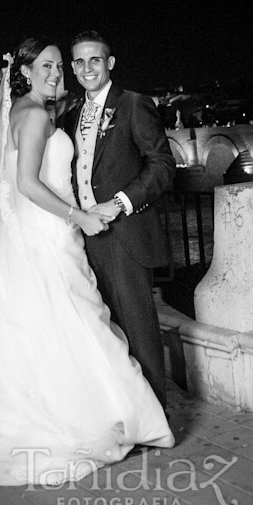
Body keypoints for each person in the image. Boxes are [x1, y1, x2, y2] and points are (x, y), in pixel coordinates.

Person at [0, 37, 174, 487]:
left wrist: (112, 206)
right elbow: (27, 183)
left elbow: (160, 164)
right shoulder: (37, 114)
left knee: (111, 326)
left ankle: (141, 415)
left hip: (96, 234)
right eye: (51, 65)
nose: (60, 72)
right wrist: (78, 215)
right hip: (60, 232)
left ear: (109, 63)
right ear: (24, 72)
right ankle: (103, 418)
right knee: (71, 328)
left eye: (63, 65)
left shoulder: (112, 107)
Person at [65, 30, 176, 413]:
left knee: (139, 331)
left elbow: (162, 165)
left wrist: (120, 203)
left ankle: (154, 422)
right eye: (79, 61)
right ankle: (125, 414)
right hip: (84, 239)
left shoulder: (133, 104)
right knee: (107, 333)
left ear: (109, 63)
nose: (86, 68)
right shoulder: (70, 116)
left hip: (124, 235)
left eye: (94, 59)